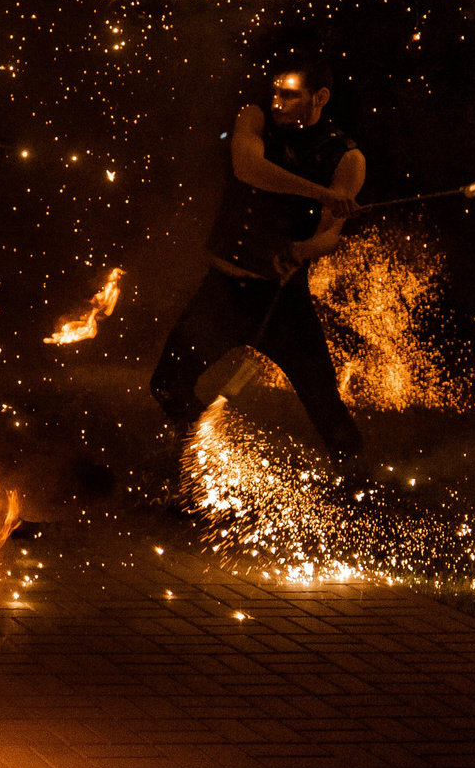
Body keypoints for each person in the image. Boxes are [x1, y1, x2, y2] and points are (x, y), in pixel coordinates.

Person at [148, 54, 364, 468]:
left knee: (324, 405)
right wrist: (322, 194)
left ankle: (358, 483)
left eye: (290, 95)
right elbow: (248, 168)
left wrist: (301, 250)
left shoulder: (347, 158)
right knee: (167, 384)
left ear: (320, 97)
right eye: (275, 92)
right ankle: (205, 466)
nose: (277, 102)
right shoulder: (255, 118)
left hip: (282, 302)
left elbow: (329, 236)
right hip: (222, 293)